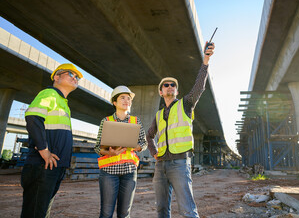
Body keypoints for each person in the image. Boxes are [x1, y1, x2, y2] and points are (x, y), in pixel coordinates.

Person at [147, 42, 215, 218]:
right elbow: (149, 136)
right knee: (162, 209)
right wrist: (154, 152)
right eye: (166, 85)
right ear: (161, 92)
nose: (170, 86)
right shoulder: (158, 115)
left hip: (180, 164)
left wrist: (205, 60)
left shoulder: (185, 105)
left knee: (187, 209)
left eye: (173, 85)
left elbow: (199, 87)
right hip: (160, 165)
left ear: (176, 91)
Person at [21, 63, 83, 218]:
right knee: (35, 213)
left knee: (42, 212)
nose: (74, 78)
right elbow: (33, 118)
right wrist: (44, 151)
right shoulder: (49, 94)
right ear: (57, 77)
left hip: (54, 167)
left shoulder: (63, 103)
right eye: (70, 74)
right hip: (42, 166)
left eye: (77, 77)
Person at [94, 85, 147, 218]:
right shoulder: (106, 121)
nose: (126, 101)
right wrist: (109, 152)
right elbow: (97, 147)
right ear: (114, 102)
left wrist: (137, 146)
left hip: (129, 173)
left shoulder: (136, 121)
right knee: (106, 213)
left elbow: (144, 143)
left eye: (129, 99)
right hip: (109, 173)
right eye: (122, 98)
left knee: (124, 214)